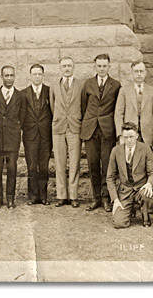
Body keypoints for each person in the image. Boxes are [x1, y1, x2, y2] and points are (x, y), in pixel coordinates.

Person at [81, 54, 121, 212]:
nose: (102, 69)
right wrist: (88, 123)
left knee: (107, 165)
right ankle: (96, 198)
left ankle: (106, 198)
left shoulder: (116, 85)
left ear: (109, 67)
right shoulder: (88, 84)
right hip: (90, 130)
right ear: (95, 67)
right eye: (99, 66)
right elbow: (84, 107)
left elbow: (117, 109)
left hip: (107, 130)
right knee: (92, 164)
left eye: (105, 66)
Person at [107, 122, 153, 229]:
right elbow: (110, 178)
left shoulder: (145, 149)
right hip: (125, 191)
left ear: (137, 136)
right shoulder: (116, 151)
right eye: (126, 137)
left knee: (146, 193)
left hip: (141, 189)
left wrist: (149, 184)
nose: (129, 140)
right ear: (122, 137)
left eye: (131, 137)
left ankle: (145, 215)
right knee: (119, 224)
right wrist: (115, 199)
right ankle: (129, 211)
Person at [0, 65, 25, 210]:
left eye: (11, 75)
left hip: (12, 140)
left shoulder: (20, 96)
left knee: (11, 170)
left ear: (14, 77)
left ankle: (10, 199)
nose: (9, 78)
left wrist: (15, 131)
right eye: (6, 75)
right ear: (1, 76)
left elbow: (22, 117)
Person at [51, 56, 85, 208]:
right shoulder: (54, 85)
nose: (67, 68)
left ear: (73, 67)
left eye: (69, 66)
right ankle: (61, 195)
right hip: (58, 127)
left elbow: (83, 105)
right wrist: (59, 118)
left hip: (74, 127)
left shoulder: (80, 85)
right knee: (59, 162)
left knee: (75, 162)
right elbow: (52, 105)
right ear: (60, 68)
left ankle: (74, 196)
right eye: (64, 66)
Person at [20, 64, 53, 205]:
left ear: (43, 75)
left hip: (46, 135)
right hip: (30, 135)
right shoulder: (23, 93)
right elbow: (21, 115)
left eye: (39, 74)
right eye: (34, 74)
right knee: (32, 166)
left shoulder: (49, 91)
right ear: (30, 76)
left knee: (44, 167)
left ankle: (44, 196)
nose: (37, 76)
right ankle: (33, 196)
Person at [115, 60, 153, 149]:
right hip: (129, 134)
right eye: (136, 71)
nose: (139, 74)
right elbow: (118, 114)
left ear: (145, 73)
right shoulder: (124, 90)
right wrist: (121, 135)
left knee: (145, 160)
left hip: (147, 136)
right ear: (132, 73)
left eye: (141, 71)